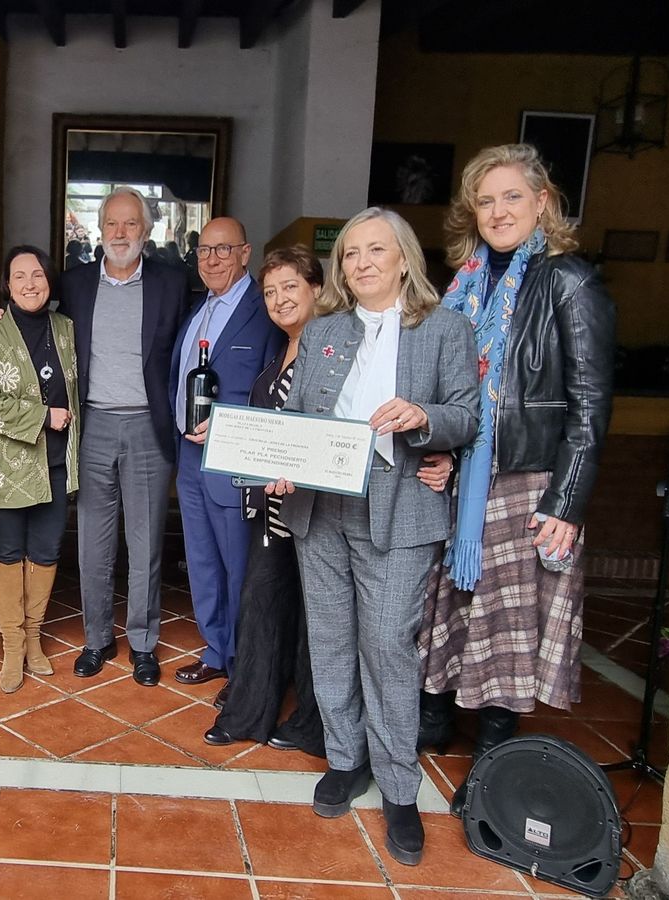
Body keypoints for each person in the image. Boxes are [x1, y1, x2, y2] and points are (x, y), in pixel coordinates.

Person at [269, 207, 479, 864]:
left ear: (402, 257)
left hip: (402, 507)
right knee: (330, 640)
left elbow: (466, 416)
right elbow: (299, 418)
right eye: (351, 253)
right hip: (323, 510)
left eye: (375, 250)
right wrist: (279, 464)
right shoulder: (325, 329)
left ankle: (397, 788)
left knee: (387, 646)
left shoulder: (445, 328)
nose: (360, 262)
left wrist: (424, 417)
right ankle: (345, 758)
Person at [418, 143, 617, 758]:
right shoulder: (467, 283)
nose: (499, 211)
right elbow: (454, 384)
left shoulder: (569, 280)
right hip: (461, 473)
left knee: (507, 617)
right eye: (486, 200)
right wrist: (447, 446)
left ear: (543, 203)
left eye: (512, 197)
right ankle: (438, 717)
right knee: (449, 599)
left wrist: (567, 501)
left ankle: (495, 748)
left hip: (528, 479)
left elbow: (590, 402)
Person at [60, 188, 192, 687]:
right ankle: (97, 639)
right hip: (92, 426)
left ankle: (142, 643)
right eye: (112, 223)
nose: (120, 233)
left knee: (146, 543)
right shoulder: (73, 285)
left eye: (130, 224)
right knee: (93, 545)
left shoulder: (173, 284)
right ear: (99, 228)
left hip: (147, 427)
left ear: (147, 230)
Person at [171, 218, 284, 689]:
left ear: (245, 253)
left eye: (223, 250)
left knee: (239, 567)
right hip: (189, 458)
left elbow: (274, 389)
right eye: (203, 251)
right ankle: (216, 649)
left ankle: (245, 669)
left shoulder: (266, 309)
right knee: (202, 562)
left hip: (235, 461)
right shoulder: (199, 309)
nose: (211, 259)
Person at [0, 246, 80, 693]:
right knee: (9, 552)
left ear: (49, 281)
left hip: (56, 464)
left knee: (48, 551)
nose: (30, 283)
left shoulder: (67, 329)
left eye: (37, 274)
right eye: (19, 276)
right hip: (7, 466)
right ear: (7, 285)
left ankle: (34, 637)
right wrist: (42, 416)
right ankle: (12, 645)